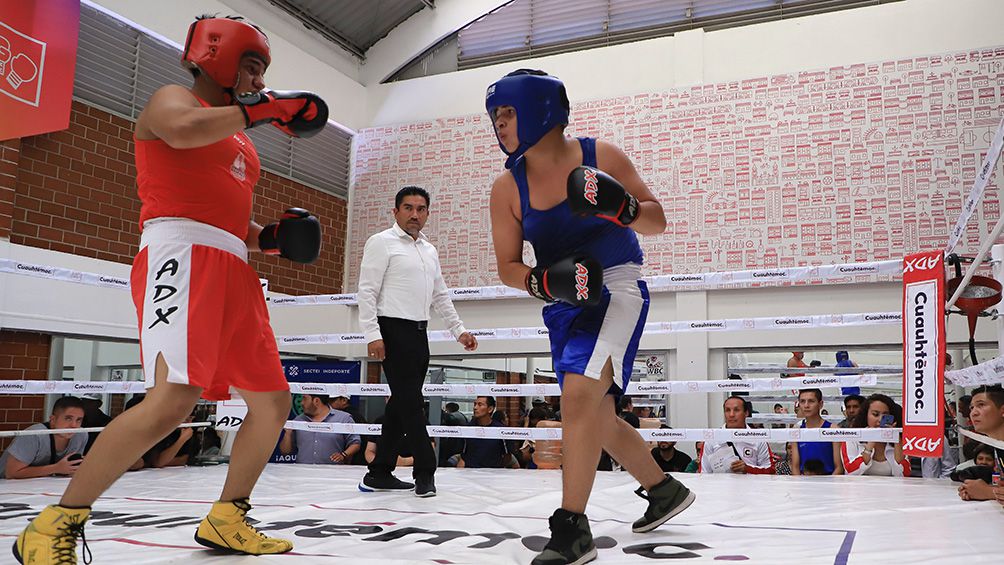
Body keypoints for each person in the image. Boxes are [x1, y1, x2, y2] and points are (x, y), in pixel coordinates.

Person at [14, 16, 329, 563]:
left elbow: (231, 222)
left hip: (232, 266)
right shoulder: (171, 100)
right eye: (252, 64)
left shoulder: (239, 139)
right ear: (217, 56)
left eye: (262, 71)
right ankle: (52, 525)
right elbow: (182, 133)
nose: (258, 78)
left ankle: (228, 517)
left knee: (273, 400)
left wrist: (273, 240)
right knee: (172, 398)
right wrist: (267, 108)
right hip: (180, 257)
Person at [486, 68, 693, 565]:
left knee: (578, 397)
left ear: (541, 108)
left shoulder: (602, 155)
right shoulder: (507, 188)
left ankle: (571, 530)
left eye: (508, 112)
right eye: (494, 117)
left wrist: (621, 208)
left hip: (617, 286)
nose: (499, 125)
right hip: (564, 302)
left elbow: (657, 219)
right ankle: (662, 490)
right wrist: (542, 282)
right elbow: (508, 268)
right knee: (594, 415)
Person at [357, 185, 479, 498]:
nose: (415, 214)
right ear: (396, 211)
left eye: (421, 209)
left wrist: (458, 330)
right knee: (411, 404)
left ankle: (379, 471)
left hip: (419, 334)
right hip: (392, 330)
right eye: (408, 208)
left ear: (427, 213)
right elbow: (367, 291)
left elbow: (440, 294)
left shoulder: (429, 250)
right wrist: (373, 334)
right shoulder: (381, 243)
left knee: (401, 404)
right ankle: (425, 470)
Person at [1, 396, 86, 480]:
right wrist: (56, 468)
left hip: (46, 486)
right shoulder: (34, 435)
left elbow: (70, 469)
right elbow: (11, 473)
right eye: (68, 419)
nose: (74, 425)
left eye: (78, 420)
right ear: (53, 420)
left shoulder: (81, 435)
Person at [699, 396, 775, 474]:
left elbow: (770, 472)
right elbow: (704, 473)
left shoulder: (758, 439)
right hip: (720, 486)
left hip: (750, 485)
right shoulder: (712, 439)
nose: (731, 415)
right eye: (727, 410)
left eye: (736, 410)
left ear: (746, 413)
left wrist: (748, 469)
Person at [279, 393, 361, 465]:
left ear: (316, 401)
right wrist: (287, 434)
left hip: (333, 474)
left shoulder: (344, 418)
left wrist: (343, 455)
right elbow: (285, 452)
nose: (301, 403)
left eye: (304, 399)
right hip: (303, 473)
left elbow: (355, 443)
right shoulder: (298, 420)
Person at [840, 394, 909, 476]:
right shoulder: (852, 438)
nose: (880, 420)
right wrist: (870, 443)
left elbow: (905, 474)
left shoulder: (901, 440)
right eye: (875, 414)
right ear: (866, 415)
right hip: (859, 488)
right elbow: (850, 472)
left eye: (885, 415)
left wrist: (896, 438)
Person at [958, 385, 1004, 502]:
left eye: (981, 405)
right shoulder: (996, 446)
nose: (973, 413)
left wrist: (988, 492)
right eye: (972, 407)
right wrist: (974, 490)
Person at [456, 396, 519, 469]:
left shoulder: (501, 430)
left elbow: (507, 456)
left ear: (490, 409)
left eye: (480, 405)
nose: (475, 408)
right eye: (475, 404)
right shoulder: (467, 429)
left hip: (493, 473)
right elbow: (463, 454)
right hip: (471, 473)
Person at [791, 389, 843, 476]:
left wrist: (830, 486)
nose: (806, 405)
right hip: (804, 483)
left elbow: (839, 467)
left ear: (820, 404)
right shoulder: (796, 431)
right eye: (802, 401)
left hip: (829, 481)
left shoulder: (832, 429)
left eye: (811, 401)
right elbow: (795, 467)